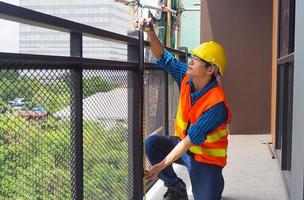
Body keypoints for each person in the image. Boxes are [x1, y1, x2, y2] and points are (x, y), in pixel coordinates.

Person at [139, 18, 231, 200]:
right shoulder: (186, 77)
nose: (191, 61)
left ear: (209, 69)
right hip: (185, 149)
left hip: (206, 160)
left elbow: (189, 141)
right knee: (152, 143)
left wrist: (159, 166)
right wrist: (149, 30)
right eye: (192, 57)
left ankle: (213, 182)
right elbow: (163, 57)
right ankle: (176, 187)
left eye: (197, 60)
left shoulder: (216, 105)